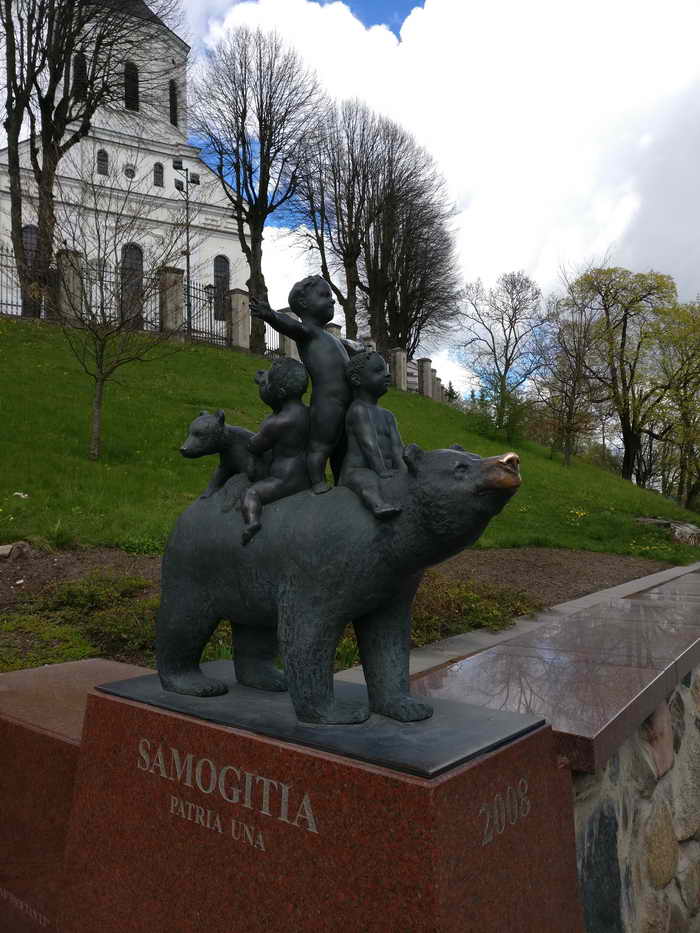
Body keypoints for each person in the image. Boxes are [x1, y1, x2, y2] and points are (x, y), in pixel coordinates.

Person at [250, 276, 360, 494]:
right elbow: (290, 325)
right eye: (324, 295)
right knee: (322, 445)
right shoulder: (308, 332)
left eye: (331, 296)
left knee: (343, 447)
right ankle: (316, 481)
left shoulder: (332, 338)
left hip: (348, 402)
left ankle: (343, 483)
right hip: (327, 403)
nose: (332, 300)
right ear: (303, 303)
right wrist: (271, 315)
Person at [241, 358, 310, 545]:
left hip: (284, 479)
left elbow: (255, 446)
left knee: (251, 493)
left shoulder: (277, 423)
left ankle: (252, 522)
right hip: (307, 475)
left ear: (279, 393)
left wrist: (251, 442)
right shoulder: (310, 413)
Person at [340, 350, 406, 518]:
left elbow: (397, 448)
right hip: (358, 471)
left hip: (385, 469)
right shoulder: (358, 410)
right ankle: (378, 505)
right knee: (368, 481)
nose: (387, 375)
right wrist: (382, 471)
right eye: (378, 371)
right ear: (357, 380)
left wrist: (403, 471)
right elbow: (369, 444)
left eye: (386, 370)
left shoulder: (388, 415)